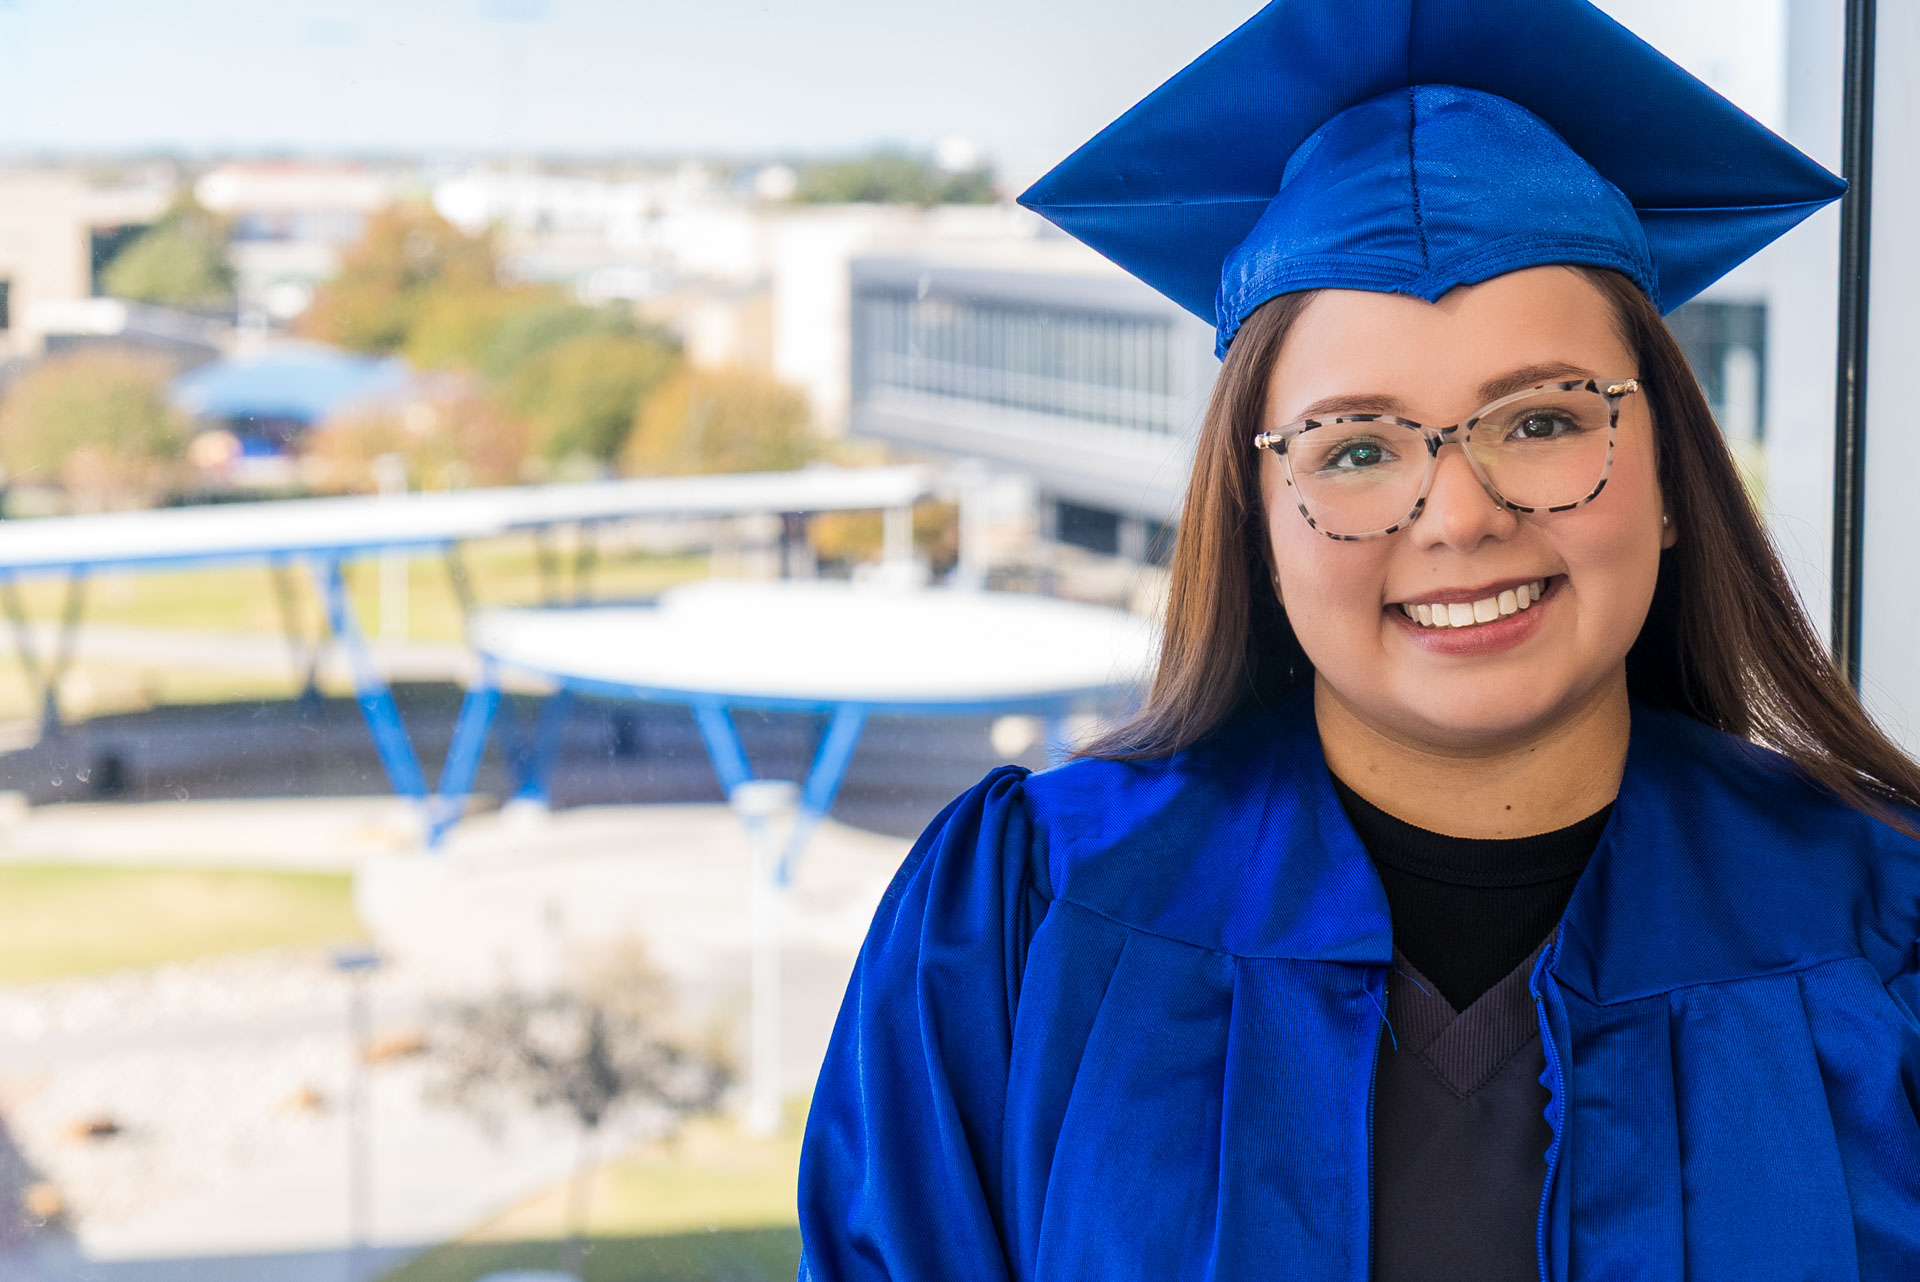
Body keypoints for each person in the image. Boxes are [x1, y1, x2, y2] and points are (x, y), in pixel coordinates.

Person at [796, 0, 1920, 1277]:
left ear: (1670, 479)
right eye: (1358, 450)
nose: (1458, 515)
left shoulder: (1887, 927)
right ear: (1259, 520)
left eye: (1544, 421)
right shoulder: (1025, 921)